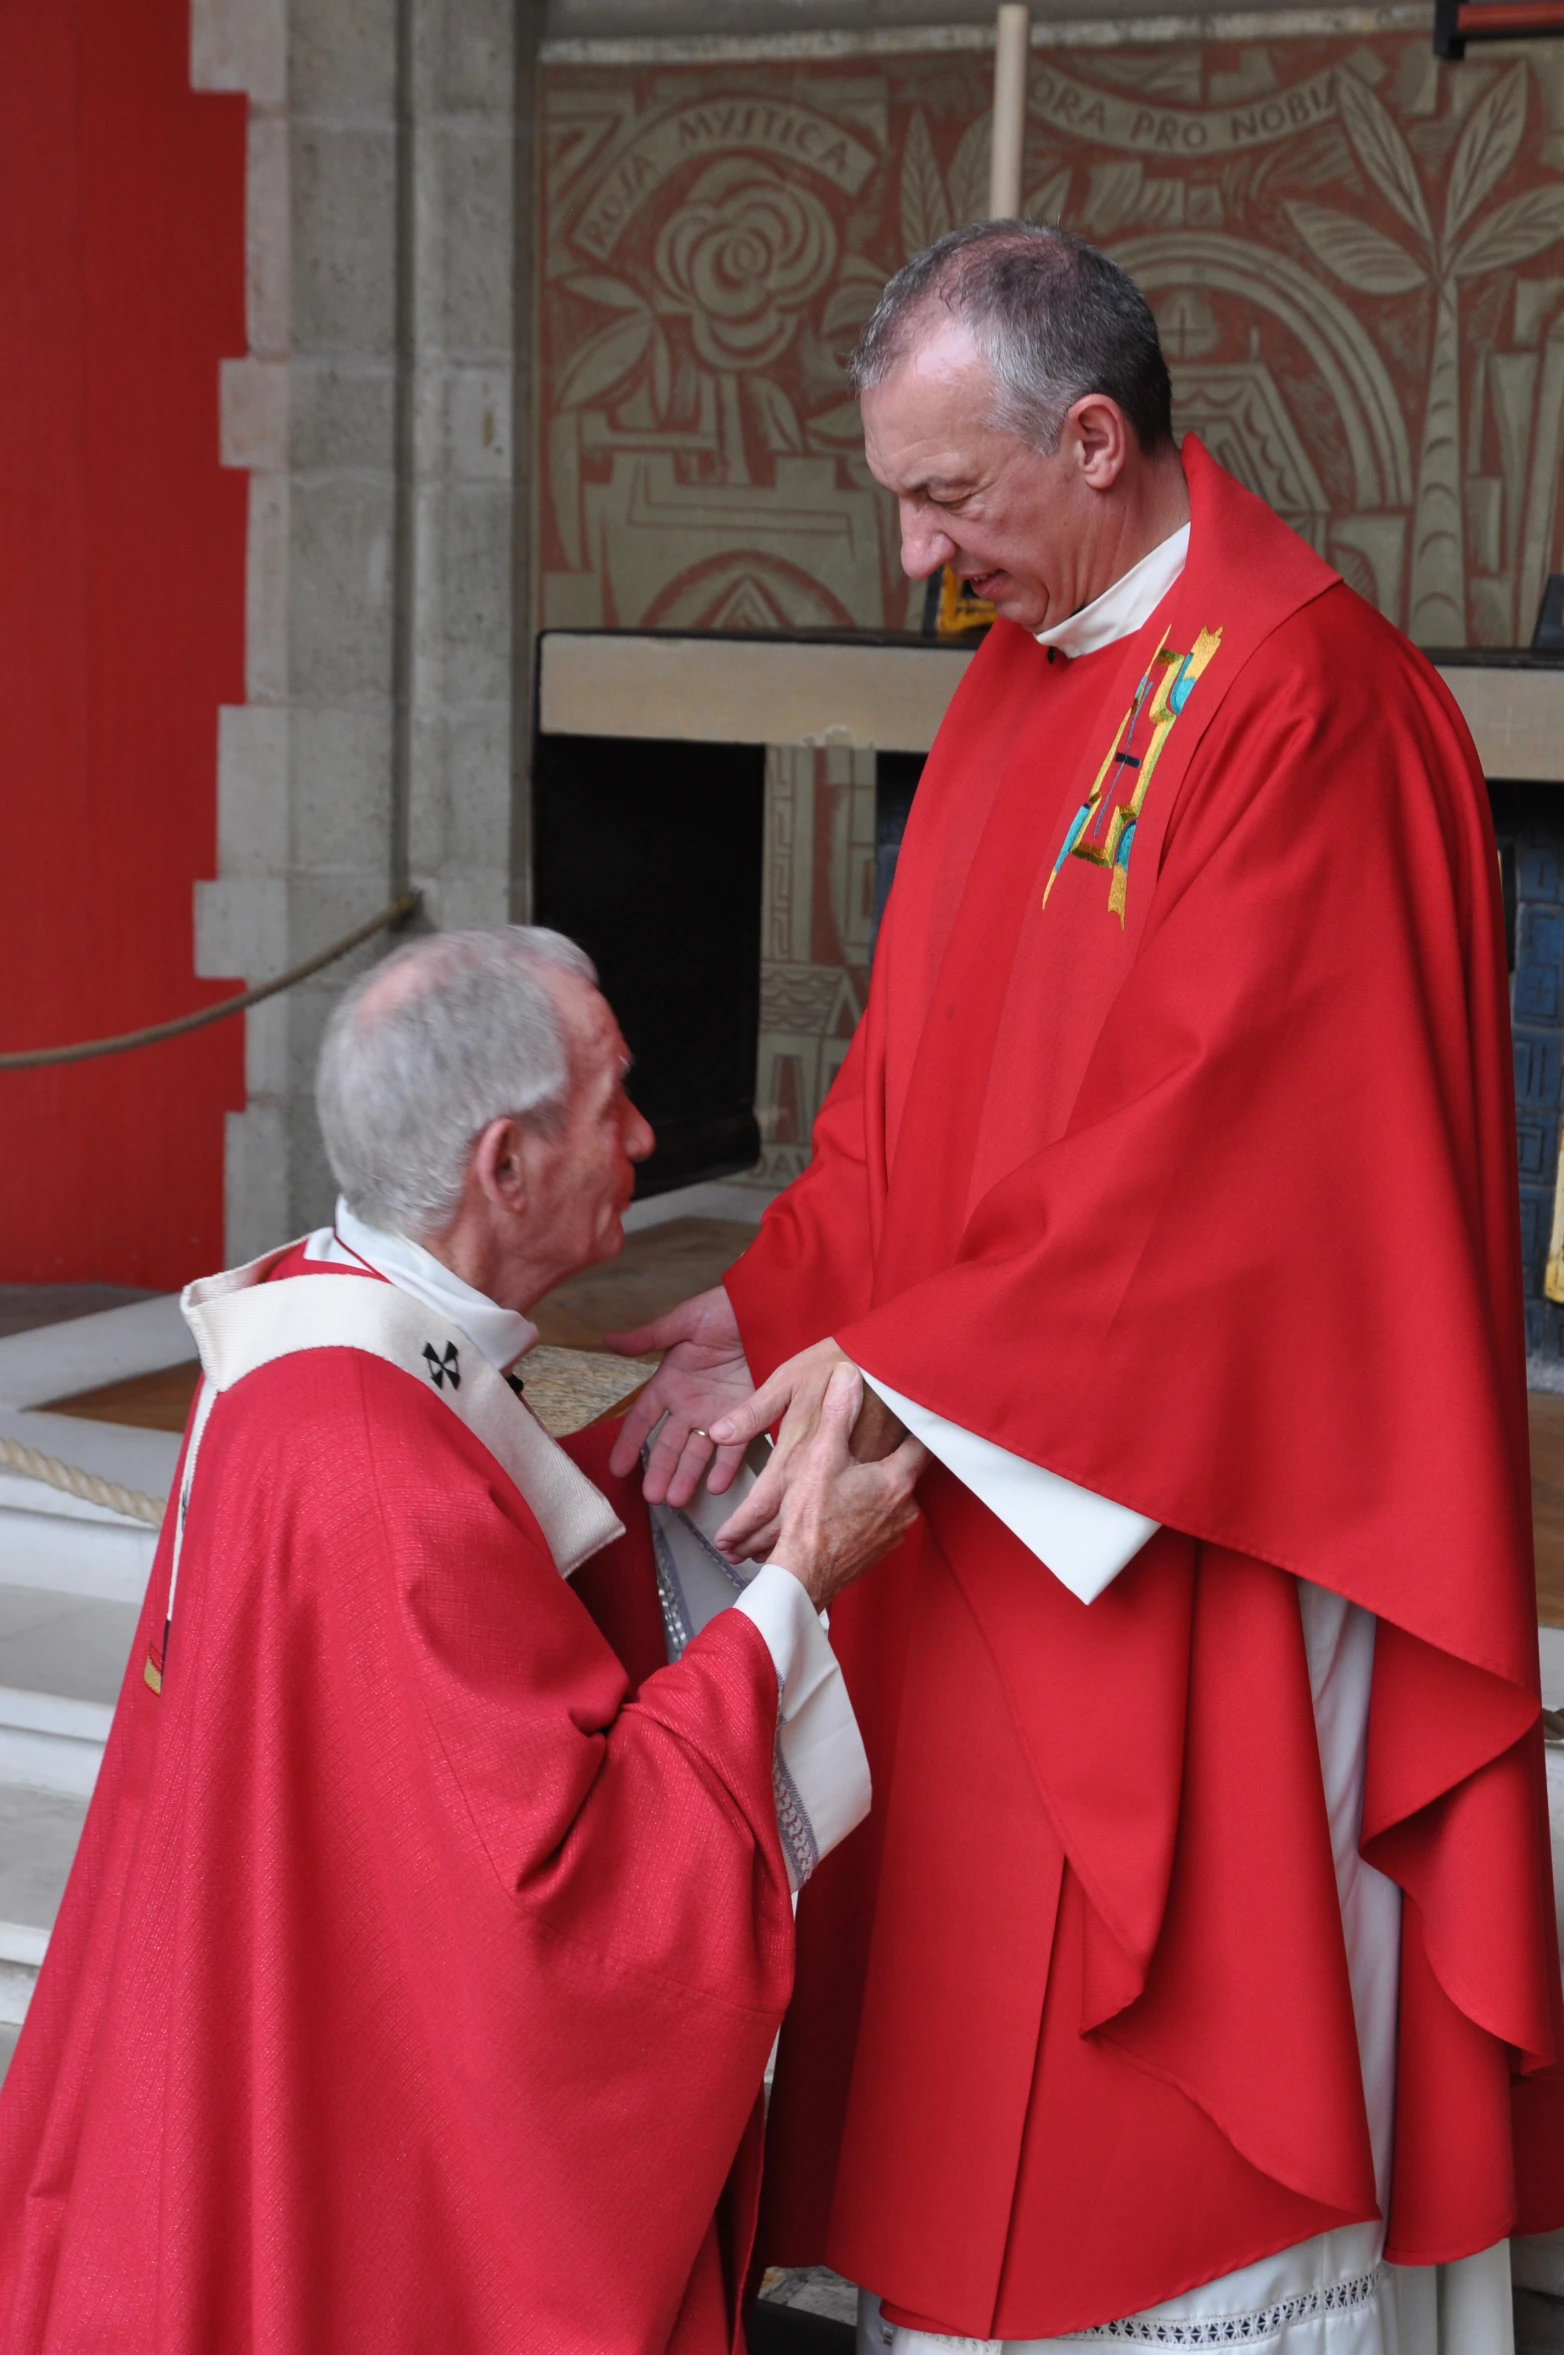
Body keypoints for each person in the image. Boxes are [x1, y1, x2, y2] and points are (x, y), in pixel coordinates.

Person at [609, 225, 1564, 2353]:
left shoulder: (1306, 699)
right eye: (898, 496)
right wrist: (774, 1306)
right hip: (986, 1477)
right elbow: (901, 1094)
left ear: (1096, 438)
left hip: (1207, 1496)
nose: (920, 551)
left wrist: (911, 1356)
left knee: (1185, 2102)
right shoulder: (1017, 680)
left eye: (947, 494)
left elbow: (1225, 1166)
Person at [0, 925, 926, 2355]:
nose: (642, 1132)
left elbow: (460, 1674)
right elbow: (570, 1905)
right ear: (504, 1167)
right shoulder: (374, 1467)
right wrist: (800, 1580)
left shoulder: (313, 1326)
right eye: (611, 1099)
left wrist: (646, 1455)